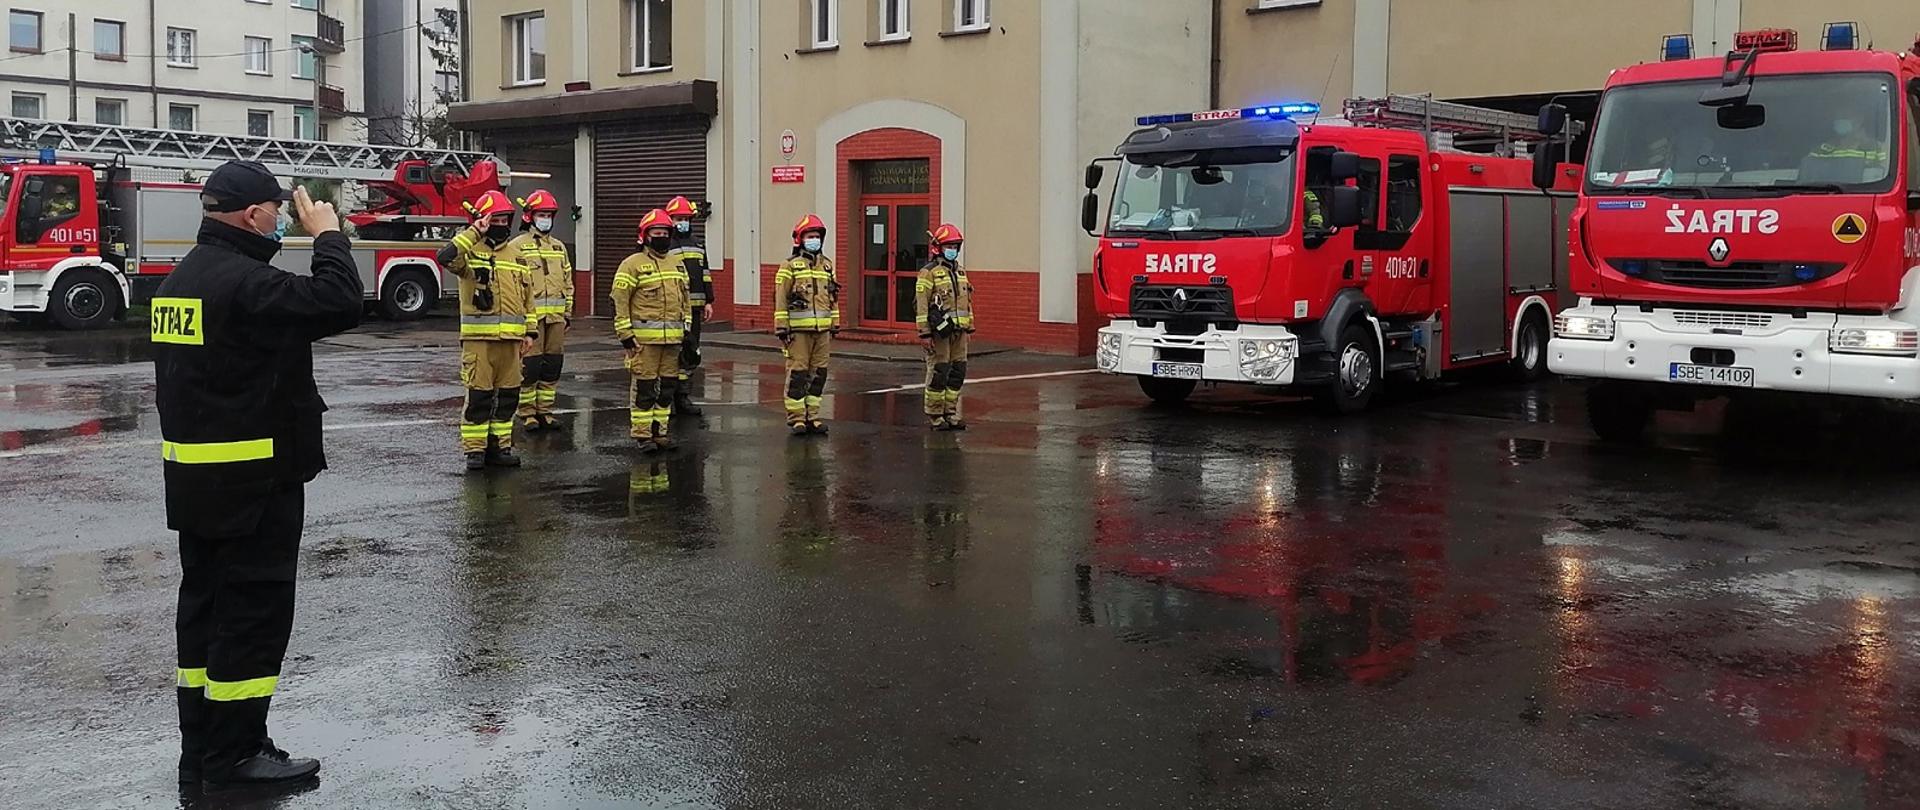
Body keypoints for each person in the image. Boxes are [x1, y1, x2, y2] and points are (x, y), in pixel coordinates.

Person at [155, 160, 362, 788]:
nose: (282, 219)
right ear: (252, 215)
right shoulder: (247, 283)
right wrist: (328, 234)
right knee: (252, 617)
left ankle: (203, 749)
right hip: (254, 486)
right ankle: (235, 756)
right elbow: (339, 301)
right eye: (277, 210)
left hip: (198, 485)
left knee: (204, 613)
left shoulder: (182, 280)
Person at [438, 190, 536, 471]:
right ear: (482, 221)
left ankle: (500, 447)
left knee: (508, 398)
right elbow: (445, 257)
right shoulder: (469, 252)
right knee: (479, 397)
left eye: (505, 220)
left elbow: (528, 299)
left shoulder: (518, 256)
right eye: (495, 220)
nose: (501, 225)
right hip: (479, 342)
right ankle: (475, 450)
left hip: (511, 344)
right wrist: (474, 231)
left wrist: (530, 333)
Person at [612, 208, 692, 452]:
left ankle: (660, 432)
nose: (662, 237)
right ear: (645, 236)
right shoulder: (631, 265)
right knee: (644, 389)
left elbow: (685, 300)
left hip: (673, 342)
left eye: (665, 233)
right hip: (644, 343)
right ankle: (643, 435)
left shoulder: (677, 263)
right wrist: (625, 335)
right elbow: (620, 300)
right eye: (657, 233)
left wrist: (687, 331)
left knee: (667, 388)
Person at [509, 190, 573, 432]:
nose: (545, 219)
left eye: (548, 215)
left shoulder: (558, 247)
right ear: (529, 216)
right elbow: (513, 284)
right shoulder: (517, 247)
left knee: (552, 365)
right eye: (541, 214)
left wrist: (567, 313)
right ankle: (527, 413)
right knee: (530, 366)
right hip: (531, 321)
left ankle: (545, 411)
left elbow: (567, 281)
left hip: (556, 319)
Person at [775, 214, 840, 435]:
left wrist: (835, 322)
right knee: (798, 374)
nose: (815, 240)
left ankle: (813, 416)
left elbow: (833, 297)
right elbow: (781, 298)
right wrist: (781, 327)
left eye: (817, 236)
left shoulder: (827, 266)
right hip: (798, 332)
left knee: (818, 374)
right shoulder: (790, 266)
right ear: (800, 239)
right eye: (810, 236)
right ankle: (797, 418)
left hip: (822, 331)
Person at [915, 223, 977, 431]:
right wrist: (924, 333)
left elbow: (967, 301)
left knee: (958, 372)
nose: (953, 250)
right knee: (939, 372)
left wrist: (969, 327)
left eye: (955, 246)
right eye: (949, 246)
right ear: (938, 247)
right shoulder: (928, 272)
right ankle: (935, 416)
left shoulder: (960, 271)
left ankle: (950, 412)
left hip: (959, 332)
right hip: (939, 333)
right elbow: (922, 305)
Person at [665, 196, 713, 420]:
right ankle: (666, 398)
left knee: (690, 354)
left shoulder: (698, 244)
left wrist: (709, 301)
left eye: (685, 218)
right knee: (670, 355)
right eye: (678, 219)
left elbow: (705, 274)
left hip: (694, 310)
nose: (682, 222)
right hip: (672, 310)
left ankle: (683, 397)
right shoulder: (665, 245)